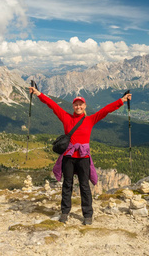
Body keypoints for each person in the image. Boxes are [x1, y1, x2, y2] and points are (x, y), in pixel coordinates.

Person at [29, 86, 132, 225]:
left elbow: (106, 110)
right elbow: (52, 105)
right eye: (76, 104)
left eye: (80, 104)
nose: (78, 107)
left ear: (84, 106)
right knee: (67, 185)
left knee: (84, 186)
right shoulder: (66, 117)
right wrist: (38, 93)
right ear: (73, 106)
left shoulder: (90, 119)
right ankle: (65, 213)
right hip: (69, 158)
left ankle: (87, 215)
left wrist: (122, 100)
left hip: (83, 158)